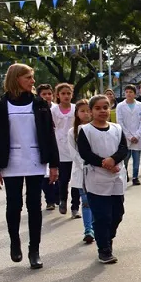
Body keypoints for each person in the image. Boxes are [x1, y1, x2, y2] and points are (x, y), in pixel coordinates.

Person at [0, 64, 59, 269]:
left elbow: (49, 134)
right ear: (16, 78)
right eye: (28, 77)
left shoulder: (39, 103)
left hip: (36, 159)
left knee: (34, 206)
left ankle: (34, 249)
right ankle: (14, 241)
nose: (32, 81)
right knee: (14, 205)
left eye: (32, 77)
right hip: (11, 161)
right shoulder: (0, 105)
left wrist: (53, 165)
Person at [77, 95, 128, 264]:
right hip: (96, 178)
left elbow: (123, 149)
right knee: (102, 215)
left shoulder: (117, 129)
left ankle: (107, 237)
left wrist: (113, 160)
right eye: (98, 108)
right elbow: (85, 153)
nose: (102, 111)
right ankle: (103, 249)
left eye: (105, 107)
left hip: (116, 177)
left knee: (117, 214)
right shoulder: (85, 131)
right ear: (91, 111)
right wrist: (104, 163)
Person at [68, 99, 95, 244]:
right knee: (86, 202)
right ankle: (88, 229)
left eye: (88, 110)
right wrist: (85, 164)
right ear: (77, 114)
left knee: (97, 202)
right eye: (82, 111)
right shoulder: (72, 132)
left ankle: (96, 227)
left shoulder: (96, 128)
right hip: (81, 171)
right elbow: (74, 153)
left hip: (98, 171)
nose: (86, 113)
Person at [52, 83, 80, 217]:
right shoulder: (54, 110)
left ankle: (75, 206)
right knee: (63, 179)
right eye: (63, 93)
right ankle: (63, 200)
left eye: (68, 93)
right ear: (58, 95)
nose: (66, 96)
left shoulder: (76, 109)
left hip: (75, 147)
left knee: (76, 178)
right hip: (60, 148)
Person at [116, 84, 141, 185]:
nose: (129, 94)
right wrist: (129, 136)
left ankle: (135, 177)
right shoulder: (120, 106)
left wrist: (137, 135)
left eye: (131, 92)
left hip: (138, 137)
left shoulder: (140, 105)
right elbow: (120, 122)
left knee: (137, 159)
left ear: (135, 94)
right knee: (125, 158)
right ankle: (125, 175)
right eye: (127, 92)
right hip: (125, 137)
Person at [36, 83, 59, 210]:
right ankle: (49, 200)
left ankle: (57, 196)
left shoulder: (57, 109)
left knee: (58, 174)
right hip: (45, 145)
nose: (47, 96)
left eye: (49, 94)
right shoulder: (37, 108)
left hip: (58, 145)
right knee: (45, 175)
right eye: (44, 94)